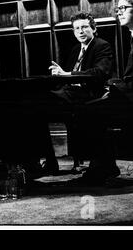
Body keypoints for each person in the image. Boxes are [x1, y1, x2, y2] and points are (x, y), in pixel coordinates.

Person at [74, 0, 133, 185]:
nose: (118, 12)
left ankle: (103, 168)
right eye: (117, 9)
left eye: (123, 8)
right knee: (89, 109)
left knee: (90, 112)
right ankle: (104, 166)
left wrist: (113, 84)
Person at [47, 12, 113, 174]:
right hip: (70, 93)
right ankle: (49, 161)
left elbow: (99, 72)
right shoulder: (76, 48)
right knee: (36, 106)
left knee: (42, 103)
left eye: (84, 27)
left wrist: (67, 74)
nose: (80, 31)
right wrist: (60, 74)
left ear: (94, 28)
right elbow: (68, 75)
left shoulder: (101, 45)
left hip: (89, 93)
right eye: (76, 28)